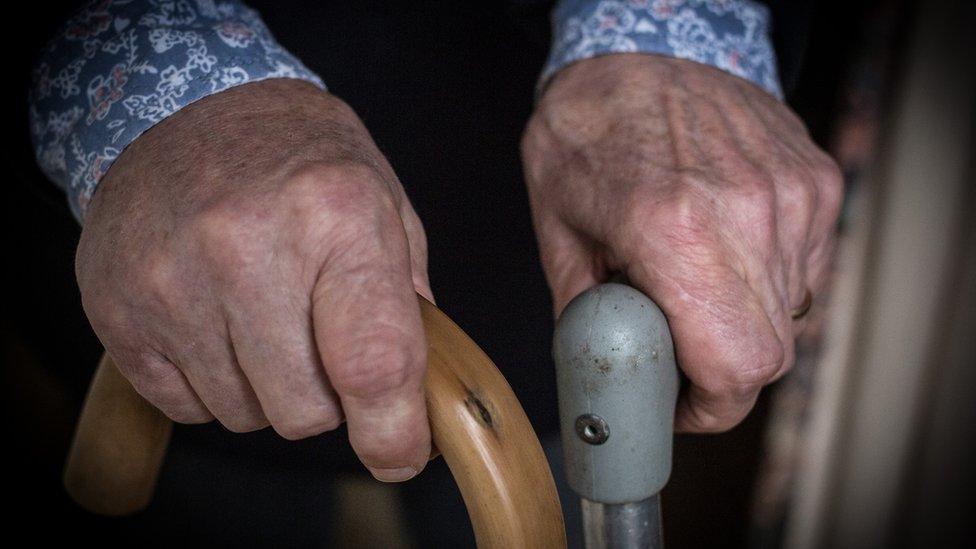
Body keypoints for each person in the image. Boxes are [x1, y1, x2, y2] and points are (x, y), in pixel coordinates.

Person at [28, 0, 842, 544]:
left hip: (543, 275)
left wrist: (665, 29)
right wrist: (149, 70)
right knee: (214, 471)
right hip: (177, 285)